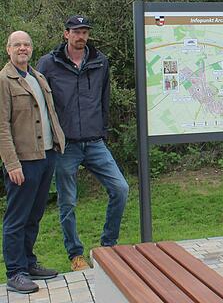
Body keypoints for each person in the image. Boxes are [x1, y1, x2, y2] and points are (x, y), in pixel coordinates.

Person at [37, 16, 129, 271]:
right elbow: (40, 104)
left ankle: (108, 247)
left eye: (85, 32)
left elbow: (104, 98)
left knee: (120, 189)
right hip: (66, 146)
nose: (81, 36)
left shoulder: (99, 61)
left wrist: (102, 130)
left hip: (95, 142)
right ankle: (75, 255)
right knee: (68, 202)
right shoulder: (48, 63)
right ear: (65, 34)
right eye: (76, 32)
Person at [0, 31, 65, 293]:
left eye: (26, 44)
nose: (22, 48)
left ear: (32, 48)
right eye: (17, 45)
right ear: (8, 49)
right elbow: (2, 127)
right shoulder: (4, 80)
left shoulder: (37, 76)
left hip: (46, 156)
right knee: (17, 218)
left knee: (34, 215)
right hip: (23, 161)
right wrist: (12, 164)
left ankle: (29, 262)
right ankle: (15, 272)